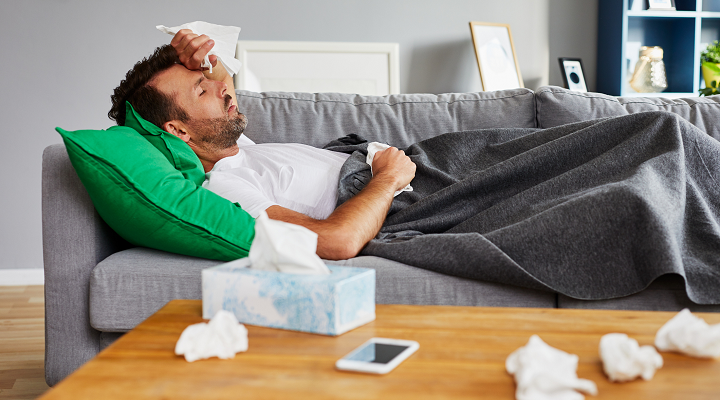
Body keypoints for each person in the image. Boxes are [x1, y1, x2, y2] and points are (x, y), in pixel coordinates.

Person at [109, 30, 415, 260]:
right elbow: (338, 241)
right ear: (178, 131)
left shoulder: (233, 145)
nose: (221, 88)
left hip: (411, 166)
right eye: (202, 91)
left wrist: (199, 58)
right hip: (402, 191)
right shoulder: (225, 188)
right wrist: (388, 177)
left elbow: (221, 81)